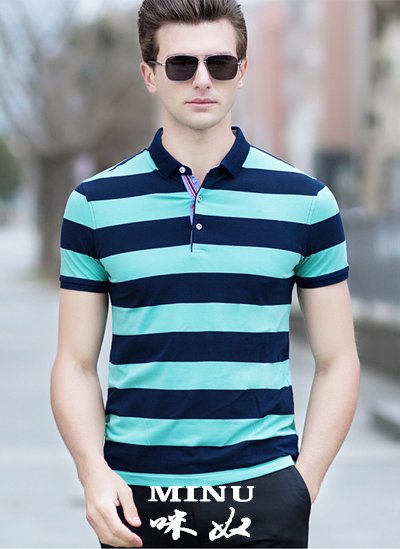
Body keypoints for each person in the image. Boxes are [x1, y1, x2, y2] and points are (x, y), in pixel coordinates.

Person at [51, 0, 360, 547]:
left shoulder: (307, 203)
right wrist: (93, 473)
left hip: (263, 495)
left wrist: (302, 486)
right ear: (150, 74)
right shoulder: (94, 205)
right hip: (136, 502)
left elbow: (339, 360)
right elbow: (74, 364)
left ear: (242, 71)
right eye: (180, 64)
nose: (202, 80)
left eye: (219, 63)